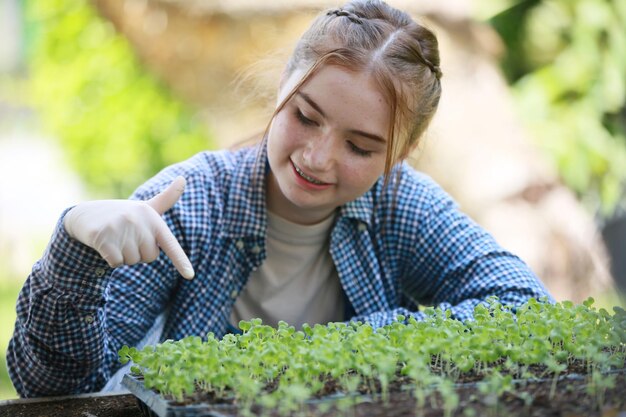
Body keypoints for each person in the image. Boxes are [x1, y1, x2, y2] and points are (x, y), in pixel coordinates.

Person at [7, 0, 552, 398]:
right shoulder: (192, 203)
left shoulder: (400, 205)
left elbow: (525, 310)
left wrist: (319, 357)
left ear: (401, 155)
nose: (317, 158)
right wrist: (74, 246)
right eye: (304, 117)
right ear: (281, 89)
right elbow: (53, 391)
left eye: (360, 147)